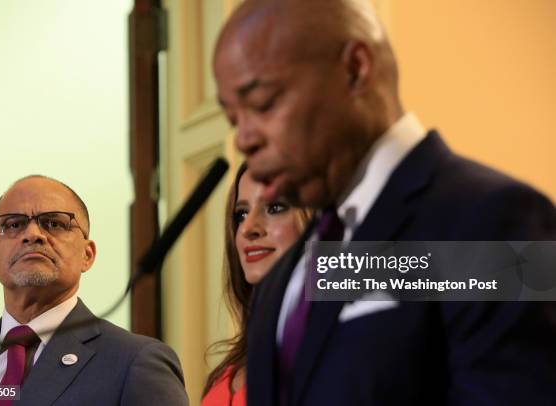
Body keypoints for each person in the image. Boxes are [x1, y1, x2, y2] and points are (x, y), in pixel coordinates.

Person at [212, 1, 556, 405]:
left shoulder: (489, 222)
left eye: (264, 103)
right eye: (235, 119)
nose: (243, 140)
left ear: (356, 68)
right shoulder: (285, 281)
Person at [0, 175, 189, 405]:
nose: (32, 234)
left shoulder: (135, 362)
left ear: (87, 254)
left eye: (54, 223)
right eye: (14, 224)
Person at [201, 164, 311, 406]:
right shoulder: (227, 371)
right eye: (241, 214)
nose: (248, 228)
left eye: (275, 207)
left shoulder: (341, 344)